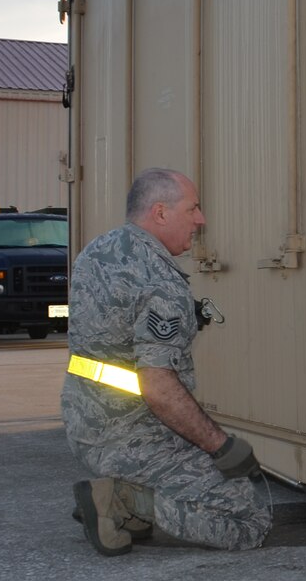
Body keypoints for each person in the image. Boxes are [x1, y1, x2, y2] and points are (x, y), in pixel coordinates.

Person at [62, 167, 273, 555]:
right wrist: (222, 446)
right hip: (135, 435)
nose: (200, 219)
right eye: (192, 209)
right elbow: (157, 386)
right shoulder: (162, 281)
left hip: (86, 423)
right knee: (249, 520)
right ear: (160, 213)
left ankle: (130, 506)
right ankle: (121, 501)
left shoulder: (98, 251)